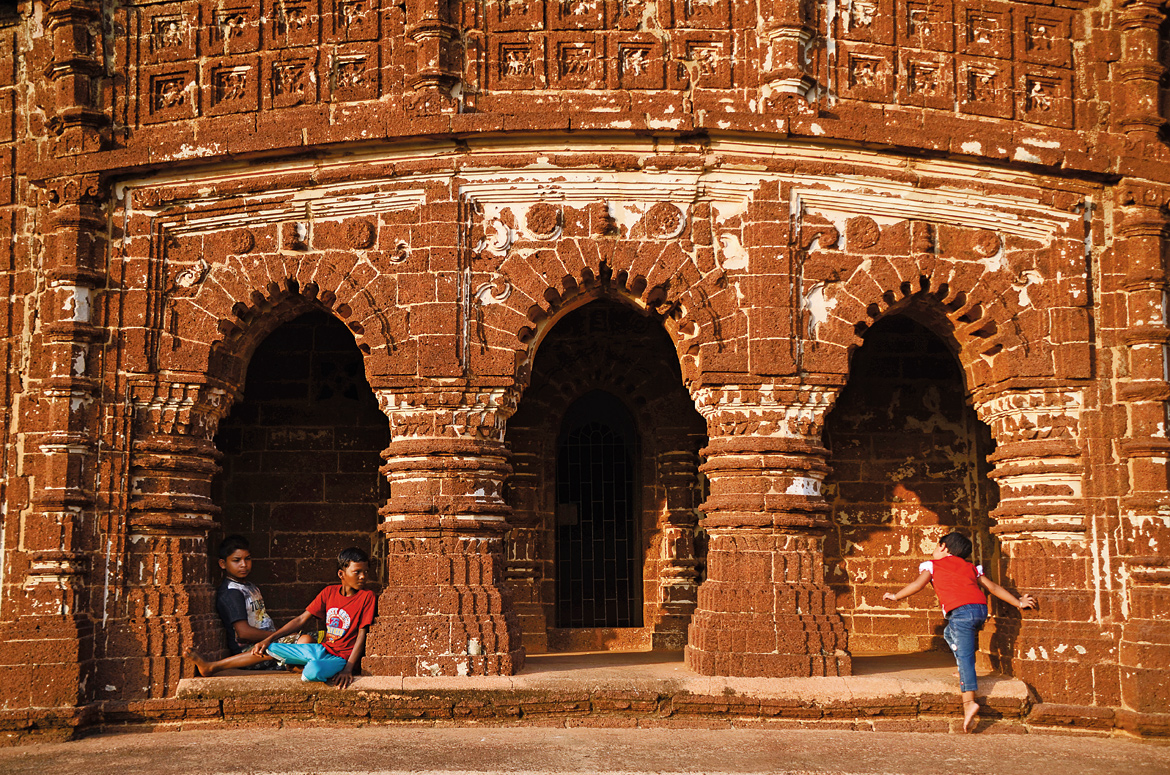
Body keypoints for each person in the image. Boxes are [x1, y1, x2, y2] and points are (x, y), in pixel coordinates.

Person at [883, 531, 1036, 733]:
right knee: (949, 635)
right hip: (980, 610)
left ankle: (969, 702)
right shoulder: (970, 567)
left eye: (937, 546)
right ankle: (964, 671)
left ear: (944, 547)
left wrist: (895, 596)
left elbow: (917, 585)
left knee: (965, 657)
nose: (935, 551)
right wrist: (1018, 602)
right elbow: (993, 588)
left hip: (961, 612)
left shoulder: (932, 565)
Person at [251, 546, 376, 688]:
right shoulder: (329, 592)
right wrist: (268, 639)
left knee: (312, 672)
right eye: (357, 572)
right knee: (272, 648)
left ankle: (306, 665)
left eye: (366, 572)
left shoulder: (367, 597)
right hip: (323, 649)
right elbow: (301, 619)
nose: (363, 576)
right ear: (341, 574)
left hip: (341, 658)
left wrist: (348, 669)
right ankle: (308, 661)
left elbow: (362, 634)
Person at [186, 534, 311, 676]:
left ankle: (293, 664)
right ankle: (214, 667)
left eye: (247, 559)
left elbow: (263, 620)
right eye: (236, 560)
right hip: (250, 652)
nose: (244, 564)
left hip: (269, 643)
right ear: (223, 564)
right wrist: (276, 637)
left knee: (316, 640)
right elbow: (243, 633)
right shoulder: (231, 592)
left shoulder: (250, 587)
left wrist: (280, 636)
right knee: (305, 642)